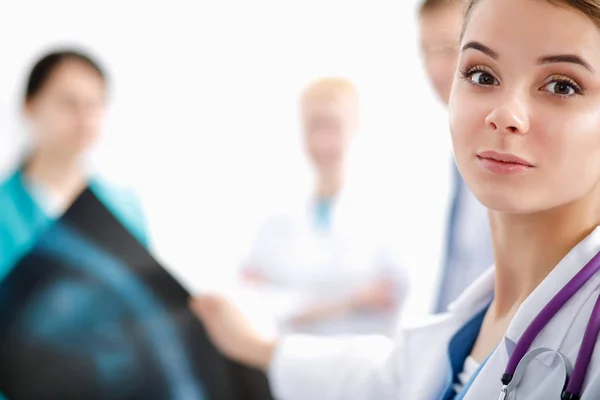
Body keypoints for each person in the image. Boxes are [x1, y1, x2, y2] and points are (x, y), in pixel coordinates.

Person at [192, 0, 600, 397]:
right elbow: (387, 379)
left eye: (562, 85)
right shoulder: (469, 325)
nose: (505, 113)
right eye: (482, 75)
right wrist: (261, 347)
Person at [241, 77, 408, 336]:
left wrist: (297, 306)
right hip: (291, 369)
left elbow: (392, 299)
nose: (322, 141)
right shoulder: (275, 222)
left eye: (333, 125)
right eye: (313, 126)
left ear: (355, 128)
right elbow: (254, 300)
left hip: (361, 367)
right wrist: (352, 301)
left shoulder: (387, 214)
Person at [0, 49, 149, 281]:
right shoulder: (4, 209)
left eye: (94, 105)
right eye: (69, 104)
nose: (84, 118)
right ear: (30, 105)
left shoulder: (124, 208)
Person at [419, 0, 494, 314]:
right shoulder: (457, 158)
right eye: (426, 50)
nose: (436, 69)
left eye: (451, 48)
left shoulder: (506, 154)